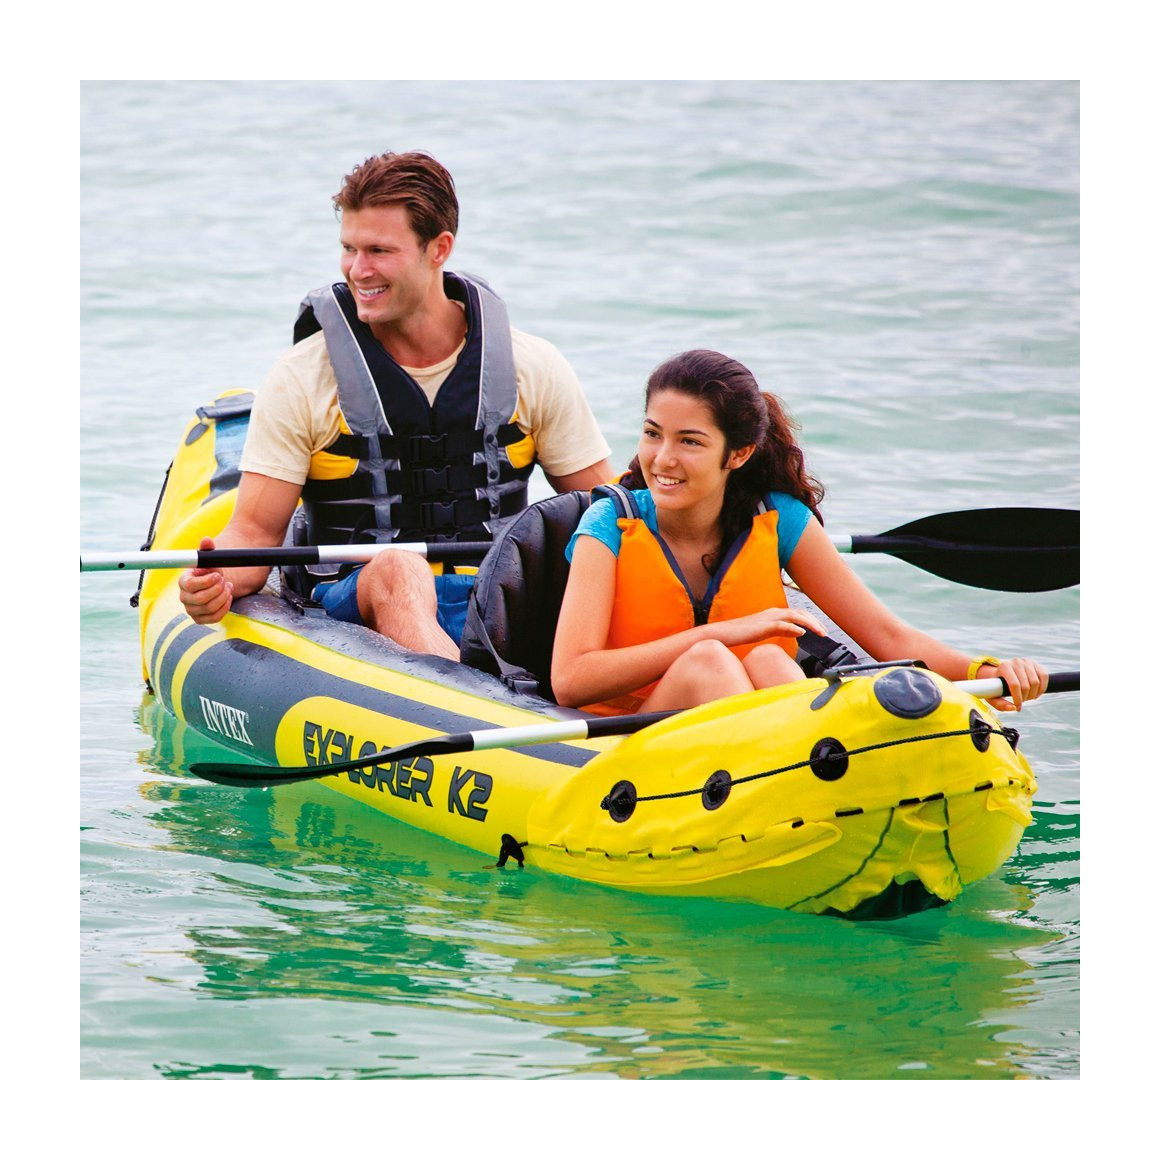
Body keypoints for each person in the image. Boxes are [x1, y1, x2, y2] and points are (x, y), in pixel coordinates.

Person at [178, 151, 612, 658]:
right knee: (397, 567)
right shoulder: (302, 377)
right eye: (349, 249)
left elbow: (604, 508)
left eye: (379, 251)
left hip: (497, 596)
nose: (358, 270)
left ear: (439, 248)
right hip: (355, 599)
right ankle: (460, 691)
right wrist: (219, 580)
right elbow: (255, 532)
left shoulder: (531, 366)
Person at [551, 349, 1047, 716]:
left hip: (742, 736)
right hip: (625, 741)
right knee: (709, 662)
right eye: (652, 433)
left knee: (769, 658)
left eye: (690, 442)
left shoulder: (777, 517)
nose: (663, 459)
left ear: (738, 454)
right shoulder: (608, 523)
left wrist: (983, 672)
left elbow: (886, 634)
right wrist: (718, 634)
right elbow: (570, 681)